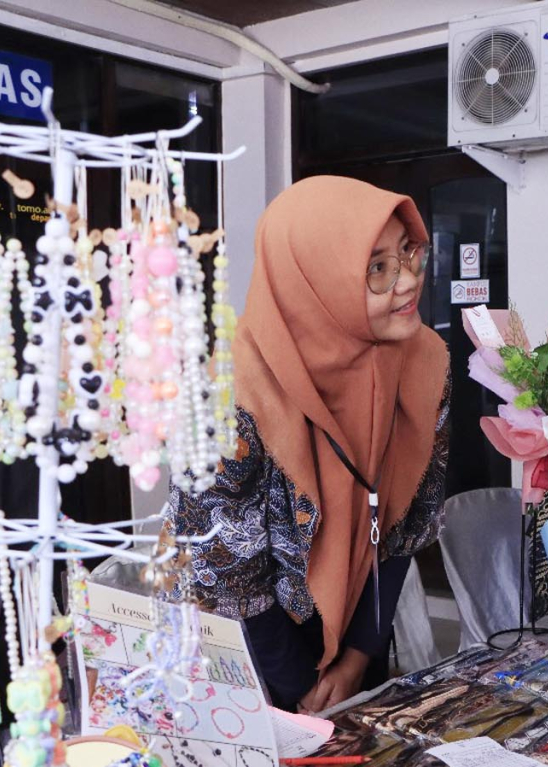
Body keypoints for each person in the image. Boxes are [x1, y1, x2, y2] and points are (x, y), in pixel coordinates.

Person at [166, 177, 451, 713]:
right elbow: (225, 568)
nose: (408, 281)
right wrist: (302, 690)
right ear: (315, 281)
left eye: (407, 254)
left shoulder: (422, 361)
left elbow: (409, 525)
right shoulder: (227, 388)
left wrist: (357, 659)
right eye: (377, 268)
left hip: (357, 629)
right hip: (238, 648)